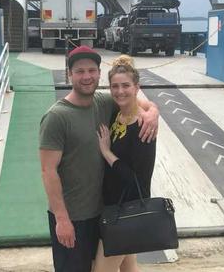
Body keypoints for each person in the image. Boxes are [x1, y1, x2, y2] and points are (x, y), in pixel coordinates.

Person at [39, 46, 159, 272]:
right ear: (69, 74)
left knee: (123, 265)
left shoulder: (103, 104)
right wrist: (62, 219)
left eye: (92, 70)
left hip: (105, 211)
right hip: (73, 217)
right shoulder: (57, 117)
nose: (87, 77)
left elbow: (134, 100)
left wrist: (154, 111)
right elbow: (48, 171)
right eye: (80, 71)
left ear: (98, 74)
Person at [93, 55, 157, 272]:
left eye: (126, 86)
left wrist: (106, 152)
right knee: (129, 267)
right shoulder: (117, 114)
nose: (120, 91)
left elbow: (137, 180)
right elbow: (144, 103)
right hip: (112, 205)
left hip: (127, 211)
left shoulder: (143, 126)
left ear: (136, 87)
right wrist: (153, 109)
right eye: (115, 86)